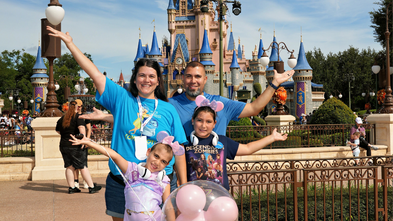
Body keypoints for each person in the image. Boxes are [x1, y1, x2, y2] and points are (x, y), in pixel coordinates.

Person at [47, 26, 187, 221]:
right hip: (122, 181)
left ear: (158, 81)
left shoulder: (168, 109)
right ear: (135, 78)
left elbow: (178, 150)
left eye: (151, 76)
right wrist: (70, 44)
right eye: (142, 75)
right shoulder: (122, 98)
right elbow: (94, 73)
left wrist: (183, 185)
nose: (146, 80)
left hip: (160, 182)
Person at [69, 131, 183, 221]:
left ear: (167, 165)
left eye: (163, 161)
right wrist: (89, 143)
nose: (157, 162)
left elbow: (168, 206)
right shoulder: (132, 170)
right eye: (156, 156)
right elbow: (115, 155)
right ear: (148, 152)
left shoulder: (163, 180)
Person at [184, 95, 288, 190]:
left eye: (208, 121)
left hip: (219, 196)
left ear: (214, 124)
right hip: (194, 196)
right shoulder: (185, 143)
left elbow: (248, 148)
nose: (203, 125)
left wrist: (272, 138)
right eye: (199, 120)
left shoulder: (222, 141)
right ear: (193, 120)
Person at [55, 100, 101, 194]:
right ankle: (91, 186)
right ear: (76, 108)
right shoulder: (78, 117)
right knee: (82, 166)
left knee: (69, 166)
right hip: (76, 144)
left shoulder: (62, 118)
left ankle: (71, 187)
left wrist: (66, 135)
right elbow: (82, 129)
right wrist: (82, 139)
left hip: (64, 145)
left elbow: (57, 130)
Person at [73, 99, 92, 189]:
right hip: (74, 141)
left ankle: (85, 180)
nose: (78, 107)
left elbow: (89, 129)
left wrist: (87, 140)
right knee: (74, 164)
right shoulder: (72, 116)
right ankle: (76, 181)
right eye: (77, 105)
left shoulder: (85, 116)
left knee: (83, 162)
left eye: (80, 105)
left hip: (83, 141)